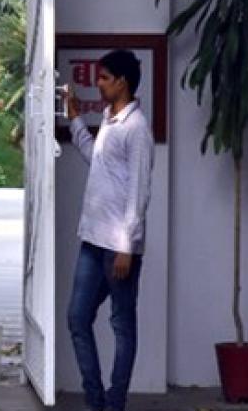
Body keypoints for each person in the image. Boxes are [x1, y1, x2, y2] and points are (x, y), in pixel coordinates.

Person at [64, 49, 154, 411]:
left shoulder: (136, 128)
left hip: (118, 245)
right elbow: (96, 160)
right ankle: (95, 399)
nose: (98, 84)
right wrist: (73, 119)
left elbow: (139, 191)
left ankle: (114, 402)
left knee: (121, 324)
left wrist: (126, 247)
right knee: (77, 317)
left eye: (104, 78)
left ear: (122, 81)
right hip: (93, 239)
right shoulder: (109, 119)